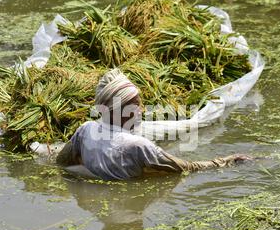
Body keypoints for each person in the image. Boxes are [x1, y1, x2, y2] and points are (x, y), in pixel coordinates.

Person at [56, 69, 251, 180]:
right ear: (117, 109)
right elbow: (187, 168)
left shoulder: (86, 129)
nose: (142, 109)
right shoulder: (137, 146)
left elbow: (61, 162)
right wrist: (228, 160)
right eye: (135, 105)